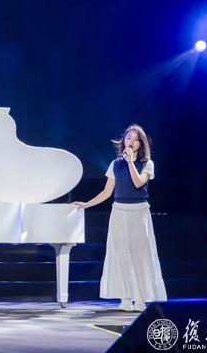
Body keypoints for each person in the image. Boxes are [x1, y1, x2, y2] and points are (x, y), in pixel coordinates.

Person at [73, 125, 167, 312]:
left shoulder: (147, 163)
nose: (131, 142)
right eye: (128, 138)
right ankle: (126, 297)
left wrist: (131, 162)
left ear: (141, 143)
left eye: (136, 139)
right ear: (123, 141)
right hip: (119, 212)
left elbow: (138, 183)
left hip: (139, 212)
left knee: (140, 256)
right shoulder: (115, 164)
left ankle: (140, 298)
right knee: (121, 254)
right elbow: (106, 192)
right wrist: (86, 204)